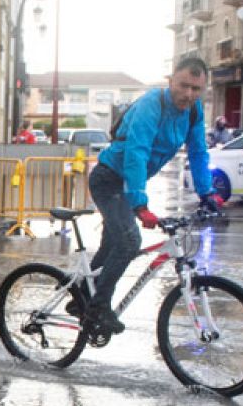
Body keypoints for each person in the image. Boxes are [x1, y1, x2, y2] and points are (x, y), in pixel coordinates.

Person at [82, 55, 215, 335]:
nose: (189, 94)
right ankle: (98, 308)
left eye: (196, 89)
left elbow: (198, 151)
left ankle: (81, 297)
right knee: (130, 240)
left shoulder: (193, 111)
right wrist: (140, 203)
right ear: (171, 81)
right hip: (109, 179)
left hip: (129, 182)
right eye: (183, 85)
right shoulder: (151, 105)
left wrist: (207, 193)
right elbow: (137, 152)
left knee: (112, 245)